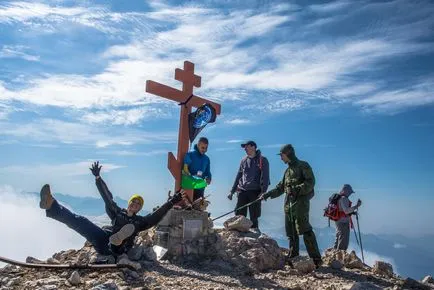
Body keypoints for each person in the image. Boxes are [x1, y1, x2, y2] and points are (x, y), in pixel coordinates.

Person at [39, 161, 185, 260]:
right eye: (133, 201)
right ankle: (52, 205)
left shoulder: (140, 222)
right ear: (129, 204)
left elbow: (155, 216)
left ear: (139, 208)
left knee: (120, 240)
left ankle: (117, 242)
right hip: (103, 239)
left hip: (117, 251)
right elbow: (107, 197)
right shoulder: (117, 212)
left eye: (138, 203)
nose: (135, 203)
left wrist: (171, 201)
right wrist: (98, 178)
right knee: (81, 222)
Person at [260, 144, 323, 268]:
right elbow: (280, 188)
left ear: (288, 154)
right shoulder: (287, 171)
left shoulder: (303, 165)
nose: (281, 158)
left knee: (305, 229)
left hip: (301, 204)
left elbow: (310, 182)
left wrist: (296, 189)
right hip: (288, 205)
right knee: (291, 232)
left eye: (282, 155)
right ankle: (293, 256)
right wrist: (267, 195)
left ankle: (316, 258)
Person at [228, 140, 270, 231]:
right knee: (239, 215)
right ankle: (239, 235)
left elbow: (266, 177)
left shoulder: (262, 160)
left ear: (253, 147)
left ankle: (255, 239)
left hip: (255, 192)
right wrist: (232, 191)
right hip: (242, 191)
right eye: (244, 147)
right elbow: (238, 176)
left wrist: (263, 192)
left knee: (254, 217)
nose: (245, 149)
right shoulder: (243, 160)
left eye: (247, 147)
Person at [334, 184, 362, 251]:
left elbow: (343, 210)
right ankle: (340, 255)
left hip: (338, 220)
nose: (350, 194)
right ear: (346, 191)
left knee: (339, 236)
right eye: (349, 192)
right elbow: (346, 211)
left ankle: (335, 252)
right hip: (343, 222)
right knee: (344, 239)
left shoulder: (340, 198)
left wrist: (352, 212)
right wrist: (356, 206)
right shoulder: (344, 199)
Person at [183, 137, 212, 201]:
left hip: (200, 188)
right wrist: (192, 177)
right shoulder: (190, 155)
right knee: (188, 207)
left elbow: (207, 172)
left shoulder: (207, 159)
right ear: (198, 145)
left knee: (197, 207)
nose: (204, 150)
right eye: (202, 148)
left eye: (206, 148)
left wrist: (209, 178)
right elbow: (185, 169)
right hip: (189, 186)